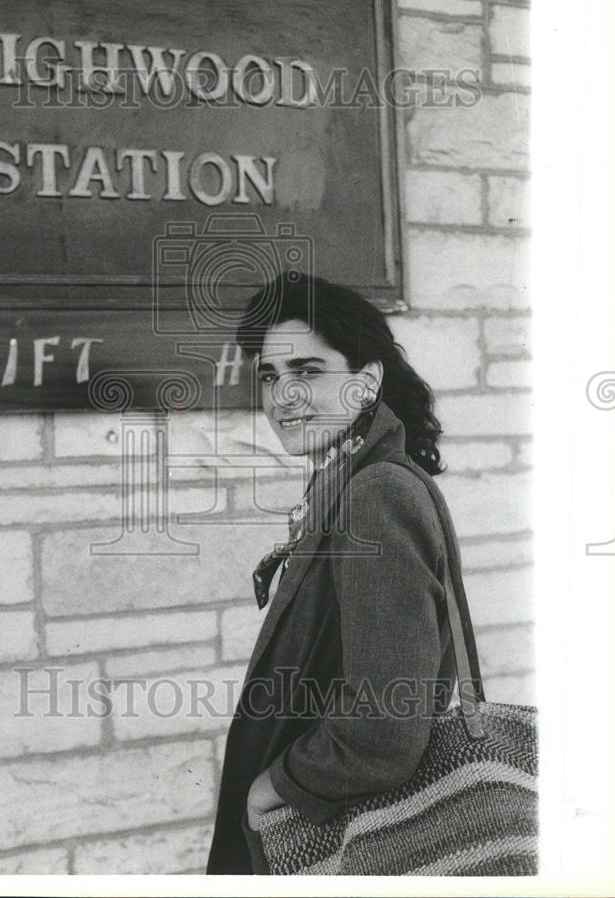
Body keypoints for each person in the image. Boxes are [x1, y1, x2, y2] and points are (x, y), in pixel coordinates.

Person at [206, 272, 481, 875]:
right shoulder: (346, 481)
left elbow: (383, 727)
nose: (283, 396)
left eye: (307, 371)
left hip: (337, 840)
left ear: (367, 382)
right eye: (270, 377)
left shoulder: (374, 494)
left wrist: (269, 789)